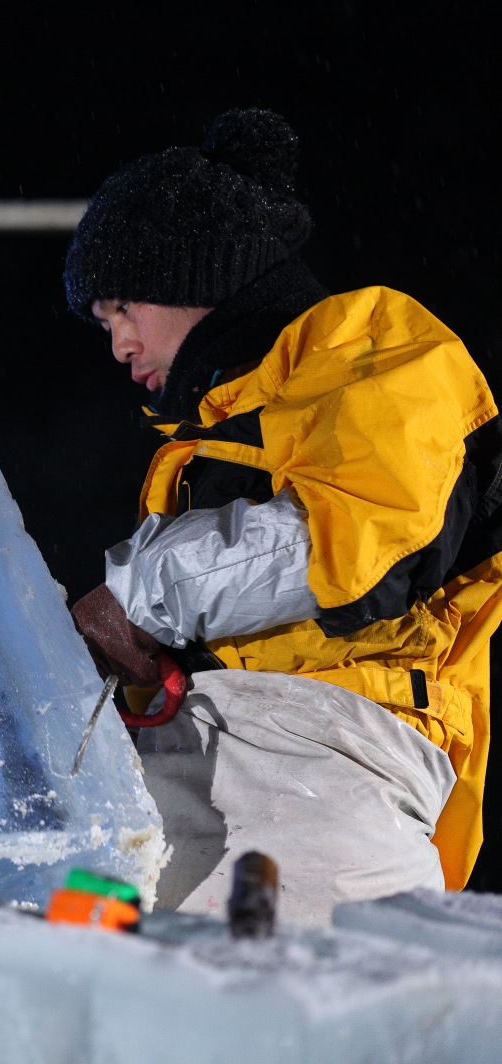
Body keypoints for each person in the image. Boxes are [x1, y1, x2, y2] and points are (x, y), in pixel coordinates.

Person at [64, 109, 498, 924]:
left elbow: (361, 539)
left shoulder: (380, 352)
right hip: (186, 771)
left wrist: (142, 596)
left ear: (193, 275)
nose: (118, 342)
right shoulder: (201, 440)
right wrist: (148, 680)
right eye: (103, 324)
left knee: (255, 1014)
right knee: (76, 985)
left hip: (329, 760)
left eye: (123, 306)